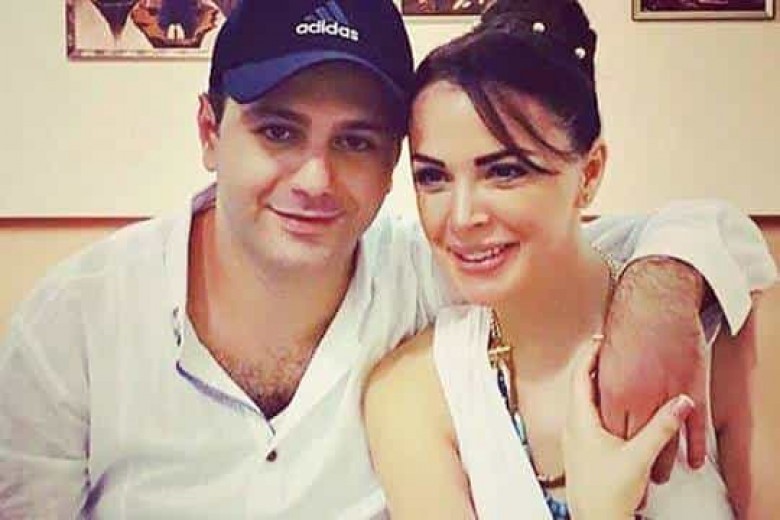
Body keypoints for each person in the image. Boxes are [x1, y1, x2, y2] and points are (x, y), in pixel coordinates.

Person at [0, 0, 774, 518]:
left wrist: (662, 289)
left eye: (356, 141)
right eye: (278, 131)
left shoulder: (431, 273)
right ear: (209, 131)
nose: (315, 178)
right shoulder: (78, 324)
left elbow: (671, 236)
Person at [363, 0, 776, 518]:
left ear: (590, 172)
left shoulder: (727, 342)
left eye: (505, 171)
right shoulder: (413, 393)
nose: (462, 217)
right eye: (433, 177)